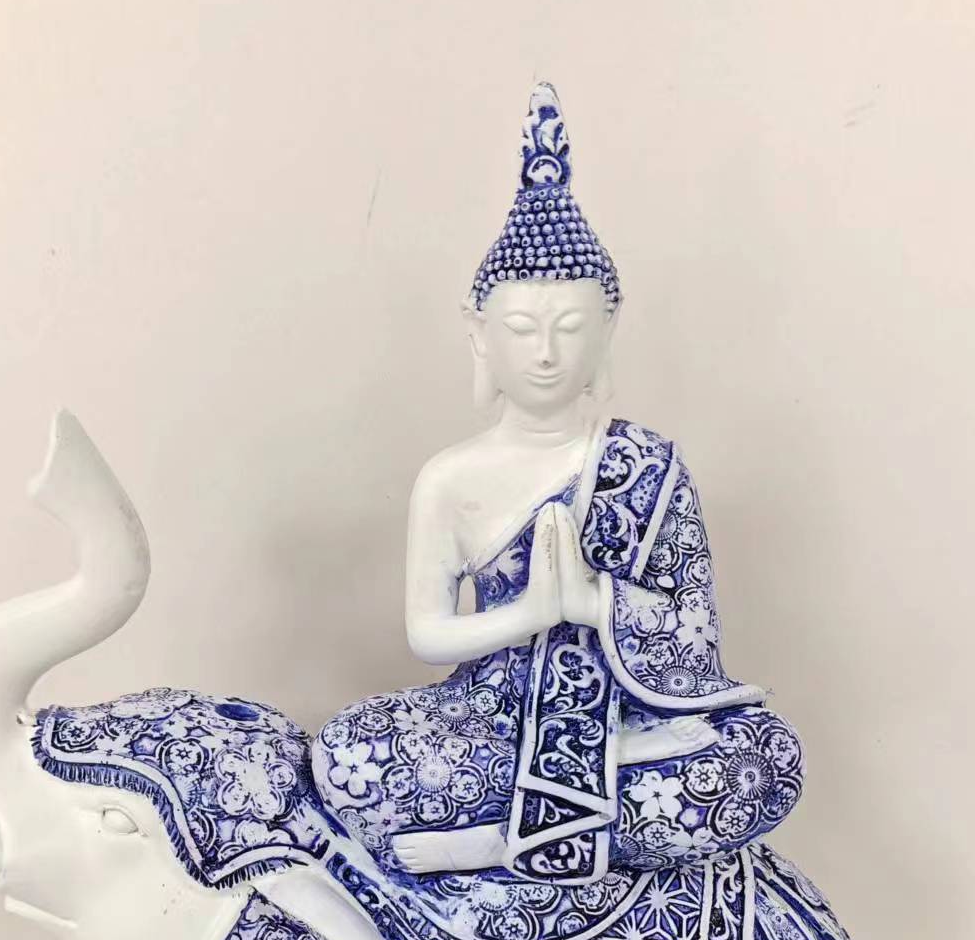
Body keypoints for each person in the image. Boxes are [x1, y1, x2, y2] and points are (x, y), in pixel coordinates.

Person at [313, 84, 802, 883]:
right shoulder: (450, 478)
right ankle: (576, 813)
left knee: (762, 760)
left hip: (629, 709)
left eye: (570, 329)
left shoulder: (647, 465)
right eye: (520, 330)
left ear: (607, 332)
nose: (544, 353)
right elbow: (427, 635)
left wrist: (592, 604)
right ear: (479, 336)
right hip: (491, 720)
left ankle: (504, 839)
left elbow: (694, 630)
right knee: (350, 756)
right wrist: (530, 617)